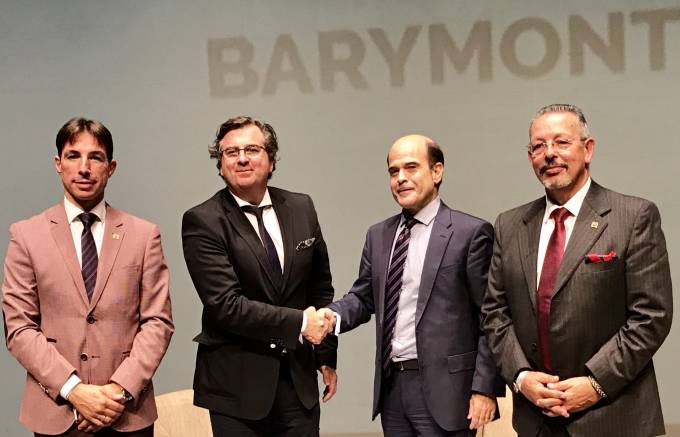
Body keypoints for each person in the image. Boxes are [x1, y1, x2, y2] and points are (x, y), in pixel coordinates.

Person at [482, 104, 673, 437]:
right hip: (536, 419)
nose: (549, 154)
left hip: (613, 416)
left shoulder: (633, 216)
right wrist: (522, 378)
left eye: (561, 142)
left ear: (588, 149)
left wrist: (596, 384)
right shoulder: (509, 225)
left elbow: (651, 317)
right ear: (530, 157)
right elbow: (495, 314)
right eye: (538, 146)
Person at [318, 134, 504, 436]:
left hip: (449, 392)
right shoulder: (378, 235)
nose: (400, 178)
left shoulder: (470, 233)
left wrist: (485, 388)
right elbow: (363, 298)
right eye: (393, 171)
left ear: (437, 171)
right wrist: (331, 317)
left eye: (411, 167)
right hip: (393, 389)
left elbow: (491, 316)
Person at [2, 117, 174, 436]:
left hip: (126, 412)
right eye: (73, 156)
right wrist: (74, 390)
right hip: (56, 412)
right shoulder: (26, 236)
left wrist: (118, 391)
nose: (84, 168)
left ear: (111, 167)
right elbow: (20, 327)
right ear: (58, 164)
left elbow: (158, 322)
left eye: (95, 157)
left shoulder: (143, 235)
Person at [181, 116, 337, 437]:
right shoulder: (203, 220)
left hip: (298, 381)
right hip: (237, 388)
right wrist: (300, 323)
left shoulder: (301, 207)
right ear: (220, 166)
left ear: (271, 160)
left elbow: (319, 288)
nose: (242, 158)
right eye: (231, 152)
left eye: (252, 149)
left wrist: (325, 355)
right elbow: (225, 305)